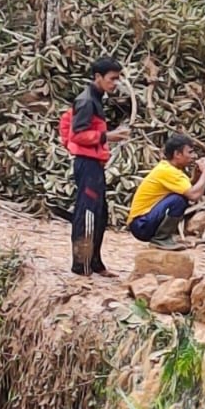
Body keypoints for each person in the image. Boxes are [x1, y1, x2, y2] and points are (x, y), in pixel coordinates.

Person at [63, 58, 130, 276]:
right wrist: (107, 136)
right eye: (112, 79)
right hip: (87, 163)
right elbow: (78, 134)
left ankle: (95, 263)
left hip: (94, 163)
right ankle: (81, 266)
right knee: (88, 213)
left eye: (117, 79)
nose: (115, 84)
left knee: (100, 212)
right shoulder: (86, 101)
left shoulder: (95, 98)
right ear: (98, 77)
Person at [126, 133, 205, 249]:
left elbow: (187, 188)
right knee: (179, 200)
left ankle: (164, 237)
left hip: (141, 222)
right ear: (177, 154)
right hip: (141, 224)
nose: (194, 156)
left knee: (180, 197)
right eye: (190, 152)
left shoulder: (169, 169)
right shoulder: (168, 171)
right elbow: (193, 195)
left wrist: (196, 176)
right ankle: (161, 239)